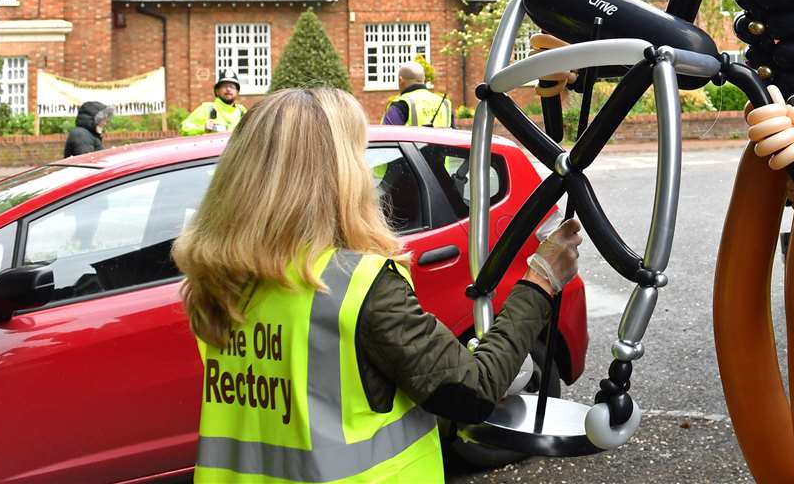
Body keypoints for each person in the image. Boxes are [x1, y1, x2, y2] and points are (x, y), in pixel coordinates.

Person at [173, 86, 582, 482]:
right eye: (358, 154)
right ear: (339, 174)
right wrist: (541, 279)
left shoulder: (218, 276)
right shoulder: (355, 284)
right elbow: (473, 391)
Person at [380, 62, 452, 128]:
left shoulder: (401, 104)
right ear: (423, 79)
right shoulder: (444, 103)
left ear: (401, 80)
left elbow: (385, 136)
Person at [181, 72, 246, 135]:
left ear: (237, 92)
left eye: (232, 87)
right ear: (217, 91)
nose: (228, 89)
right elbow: (183, 128)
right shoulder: (207, 109)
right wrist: (203, 128)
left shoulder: (242, 112)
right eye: (224, 86)